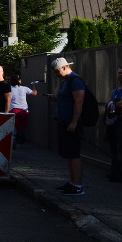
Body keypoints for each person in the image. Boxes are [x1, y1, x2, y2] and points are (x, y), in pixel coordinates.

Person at [47, 57, 86, 196]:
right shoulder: (67, 81)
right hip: (65, 123)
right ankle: (72, 182)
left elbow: (79, 101)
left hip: (71, 124)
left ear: (64, 67)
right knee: (69, 154)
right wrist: (56, 99)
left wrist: (74, 122)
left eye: (57, 72)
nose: (56, 75)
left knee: (74, 154)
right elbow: (69, 100)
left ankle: (78, 185)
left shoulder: (75, 81)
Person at [9, 75, 37, 146]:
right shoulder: (24, 88)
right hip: (23, 111)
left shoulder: (9, 89)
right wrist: (34, 86)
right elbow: (34, 93)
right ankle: (21, 140)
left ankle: (13, 143)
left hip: (13, 110)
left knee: (14, 127)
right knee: (22, 126)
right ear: (19, 81)